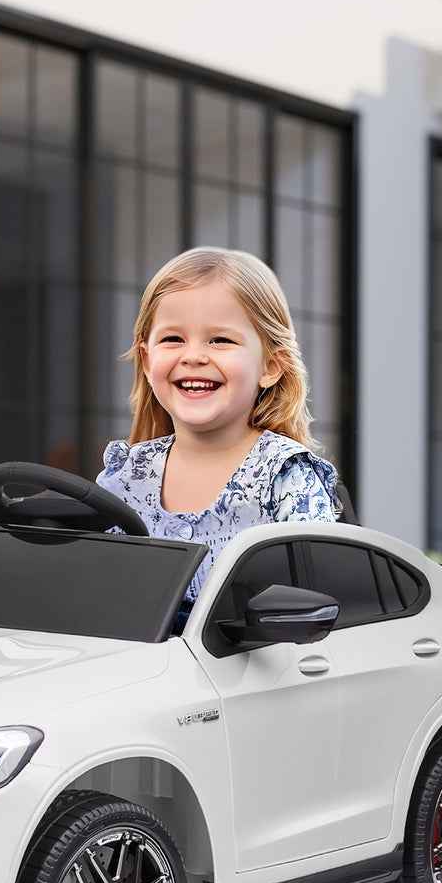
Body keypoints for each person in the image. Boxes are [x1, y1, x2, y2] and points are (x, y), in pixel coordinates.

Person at [95, 246, 340, 632]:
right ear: (146, 360)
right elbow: (94, 584)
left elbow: (319, 595)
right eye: (173, 339)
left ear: (270, 367)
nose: (193, 356)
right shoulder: (127, 474)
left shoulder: (286, 476)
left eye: (220, 341)